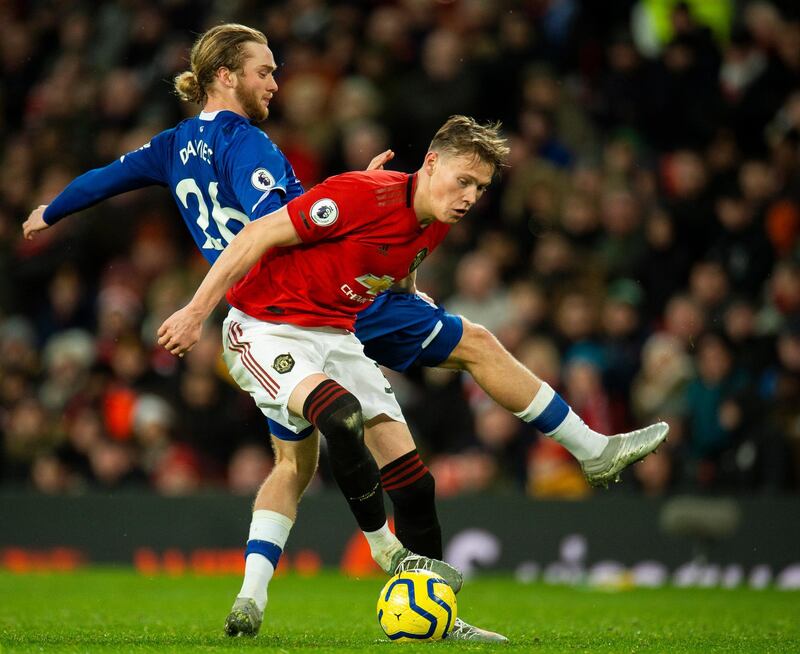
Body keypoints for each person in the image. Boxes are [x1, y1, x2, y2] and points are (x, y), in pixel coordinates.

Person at [24, 24, 668, 642]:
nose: (276, 83)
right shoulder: (246, 142)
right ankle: (388, 543)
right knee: (427, 371)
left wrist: (50, 210)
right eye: (265, 72)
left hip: (329, 306)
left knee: (339, 456)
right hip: (285, 305)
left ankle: (401, 602)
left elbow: (106, 179)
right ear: (226, 75)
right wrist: (357, 197)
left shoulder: (168, 146)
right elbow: (275, 224)